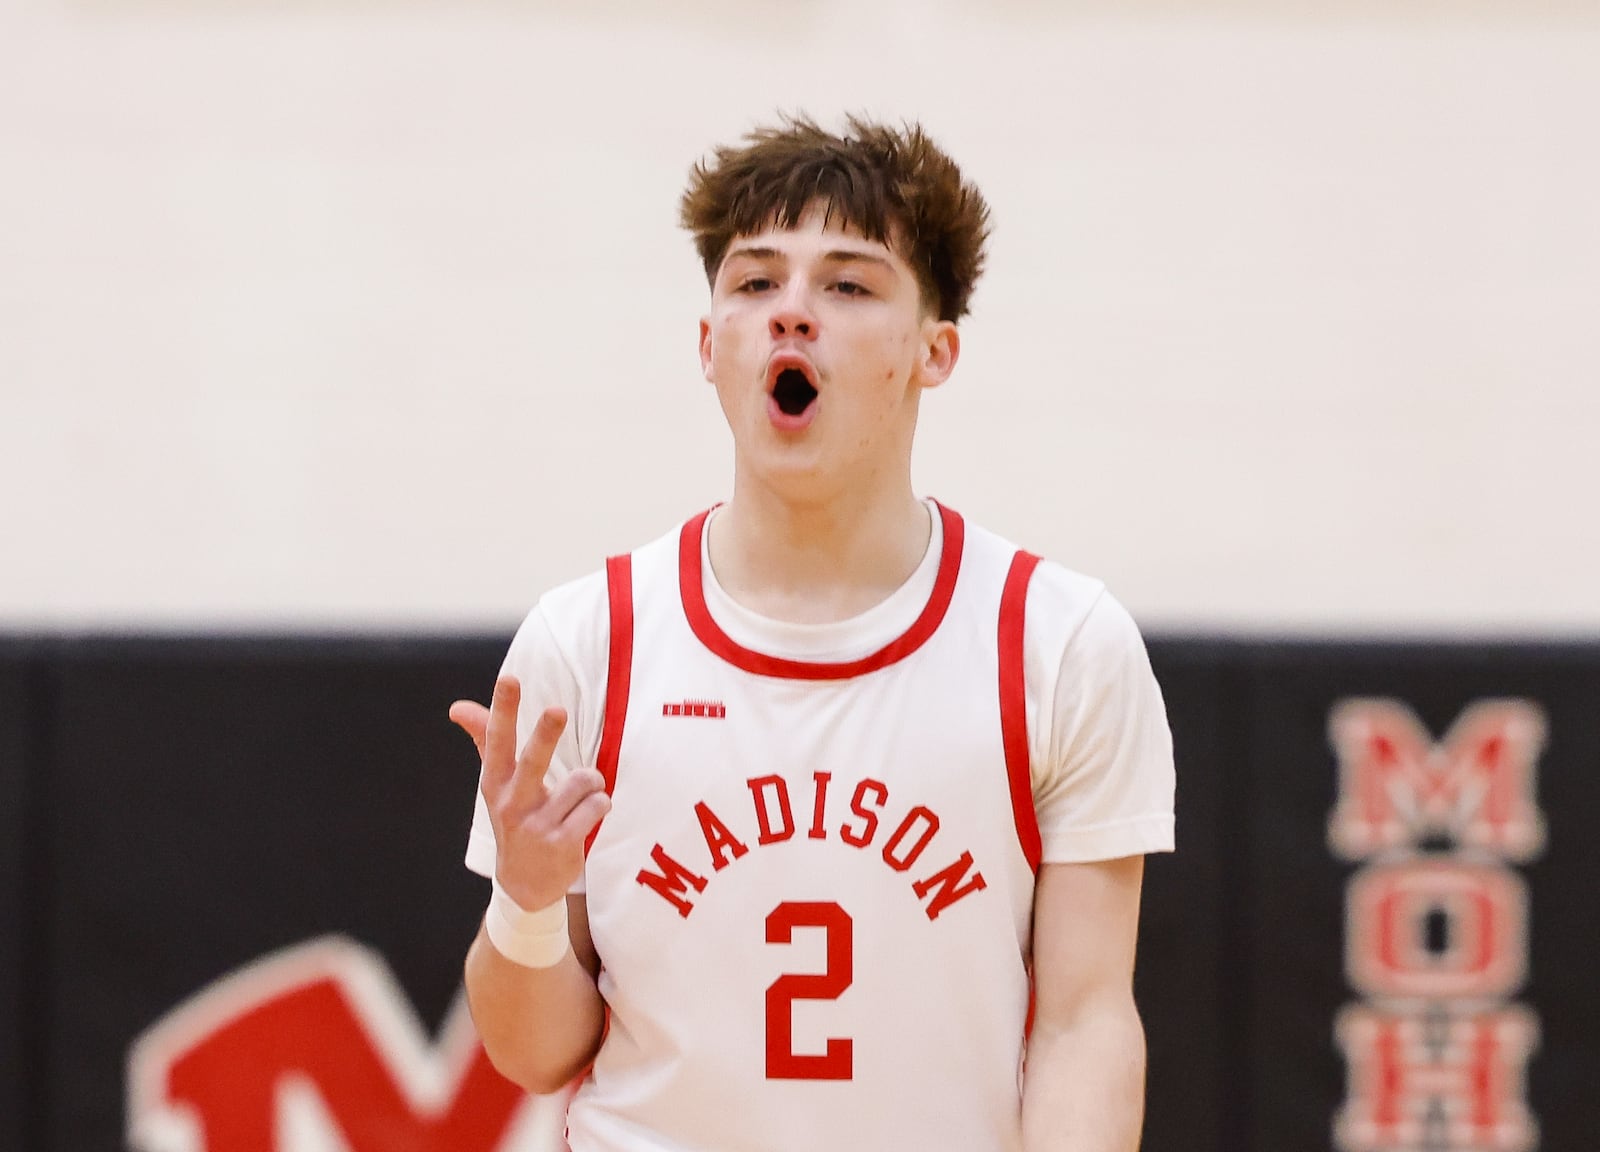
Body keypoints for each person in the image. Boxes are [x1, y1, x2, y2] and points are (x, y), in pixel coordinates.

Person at [450, 114, 1176, 1152]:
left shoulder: (1057, 644)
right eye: (754, 284)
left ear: (936, 351)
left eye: (846, 284)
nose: (792, 313)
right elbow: (532, 1055)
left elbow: (1083, 1023)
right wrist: (522, 903)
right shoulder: (590, 640)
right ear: (710, 348)